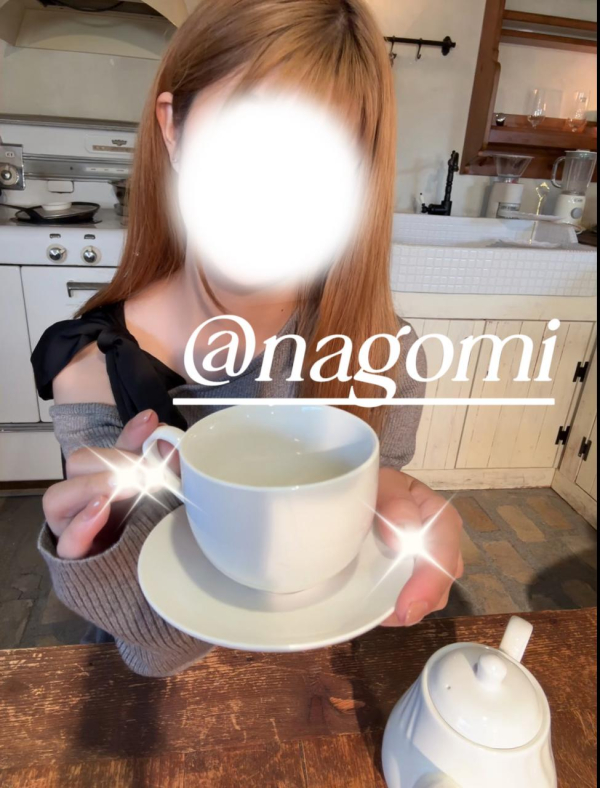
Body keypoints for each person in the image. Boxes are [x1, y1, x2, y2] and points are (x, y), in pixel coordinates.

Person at [31, 0, 463, 678]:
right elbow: (155, 651)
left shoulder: (384, 352)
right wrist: (98, 564)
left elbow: (344, 571)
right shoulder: (91, 366)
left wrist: (398, 522)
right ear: (173, 127)